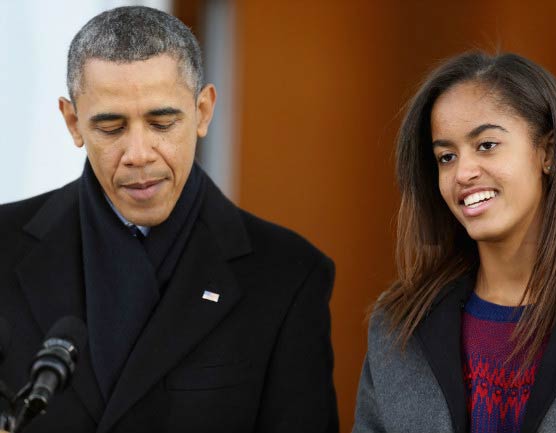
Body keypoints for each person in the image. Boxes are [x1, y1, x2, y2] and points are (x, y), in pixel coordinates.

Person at [0, 6, 338, 433]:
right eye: (111, 128)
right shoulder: (4, 247)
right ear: (73, 122)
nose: (139, 153)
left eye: (162, 123)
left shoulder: (287, 275)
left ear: (203, 110)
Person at [353, 51, 556, 433]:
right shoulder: (397, 325)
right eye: (446, 156)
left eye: (486, 145)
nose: (463, 172)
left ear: (549, 152)